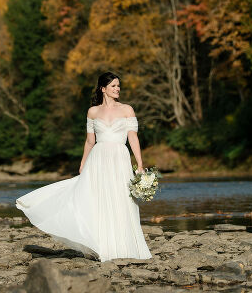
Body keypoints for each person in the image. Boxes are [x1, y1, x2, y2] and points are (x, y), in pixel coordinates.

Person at [14, 72, 153, 262]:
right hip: (98, 159)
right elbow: (89, 141)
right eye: (113, 86)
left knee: (122, 199)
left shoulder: (127, 109)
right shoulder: (93, 112)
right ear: (103, 89)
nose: (117, 89)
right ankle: (101, 246)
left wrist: (140, 164)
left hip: (119, 158)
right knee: (97, 200)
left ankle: (124, 246)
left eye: (118, 86)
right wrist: (83, 162)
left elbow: (133, 137)